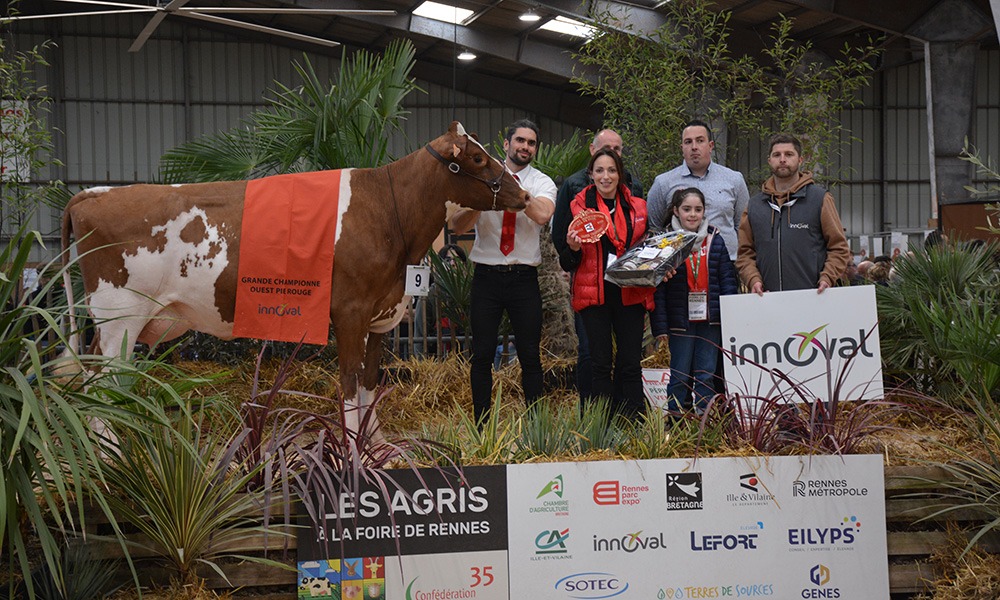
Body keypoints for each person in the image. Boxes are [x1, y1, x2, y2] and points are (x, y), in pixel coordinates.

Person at [449, 119, 556, 425]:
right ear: (506, 144)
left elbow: (542, 214)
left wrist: (510, 192)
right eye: (519, 141)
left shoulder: (541, 182)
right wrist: (484, 199)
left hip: (524, 279)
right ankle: (482, 428)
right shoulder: (480, 179)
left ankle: (536, 427)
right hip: (487, 277)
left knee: (531, 356)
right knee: (481, 355)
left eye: (531, 143)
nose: (525, 147)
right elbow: (457, 226)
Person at [552, 129, 644, 403]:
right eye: (600, 170)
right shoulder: (578, 206)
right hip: (595, 295)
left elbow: (644, 248)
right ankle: (599, 428)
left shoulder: (638, 207)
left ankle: (632, 425)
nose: (606, 176)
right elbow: (566, 260)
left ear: (620, 174)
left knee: (630, 364)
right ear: (591, 174)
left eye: (612, 170)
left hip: (630, 294)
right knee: (598, 363)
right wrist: (574, 248)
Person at [651, 188, 738, 413]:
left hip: (711, 320)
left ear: (704, 212)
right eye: (687, 209)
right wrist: (660, 326)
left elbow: (727, 280)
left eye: (698, 210)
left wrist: (729, 318)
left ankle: (704, 423)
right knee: (679, 374)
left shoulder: (715, 240)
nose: (692, 214)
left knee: (706, 374)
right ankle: (677, 420)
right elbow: (657, 289)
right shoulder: (666, 242)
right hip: (680, 320)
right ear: (676, 211)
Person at [736, 133, 852, 294]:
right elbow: (745, 253)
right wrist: (753, 279)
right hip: (768, 301)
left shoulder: (820, 199)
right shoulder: (754, 206)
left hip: (813, 298)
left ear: (800, 160)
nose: (782, 159)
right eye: (777, 155)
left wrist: (827, 277)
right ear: (769, 161)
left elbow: (839, 247)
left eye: (789, 154)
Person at [647, 120, 750, 261]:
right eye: (688, 142)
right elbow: (655, 229)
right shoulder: (663, 183)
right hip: (679, 268)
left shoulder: (734, 179)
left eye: (700, 141)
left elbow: (743, 228)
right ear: (682, 147)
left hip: (725, 268)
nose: (694, 147)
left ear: (710, 145)